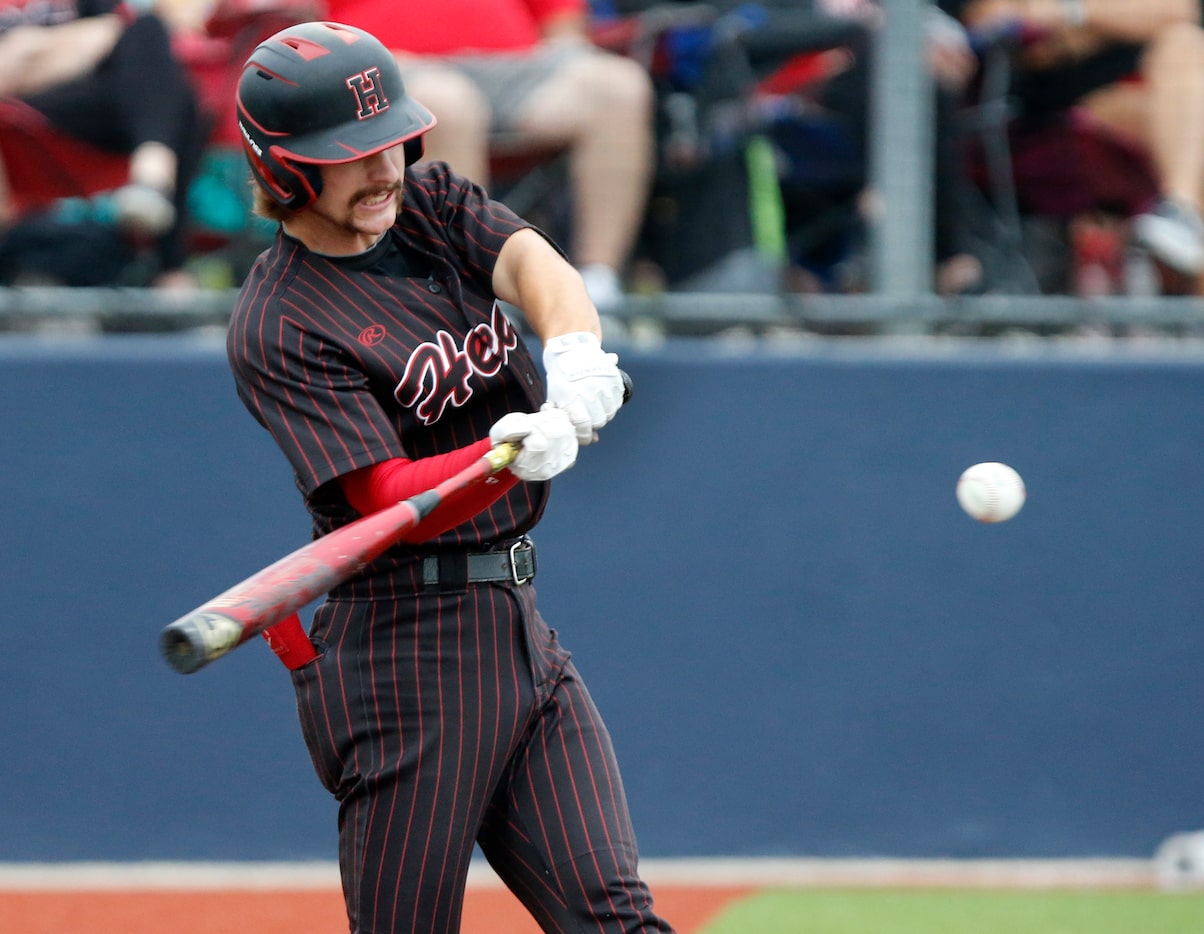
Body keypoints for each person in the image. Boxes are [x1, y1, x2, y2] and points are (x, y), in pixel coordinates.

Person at [226, 20, 675, 934]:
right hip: (404, 654)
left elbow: (529, 260)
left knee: (616, 920)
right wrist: (498, 454)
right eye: (349, 156)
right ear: (282, 171)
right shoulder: (280, 322)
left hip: (516, 628)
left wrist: (577, 352)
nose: (382, 168)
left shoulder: (426, 202)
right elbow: (383, 499)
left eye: (389, 140)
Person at [319, 0, 655, 312]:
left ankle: (594, 290)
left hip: (514, 69)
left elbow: (562, 22)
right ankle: (471, 296)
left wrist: (566, 48)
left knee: (619, 87)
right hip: (389, 63)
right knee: (447, 105)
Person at [945, 0, 1204, 279]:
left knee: (1185, 46)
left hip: (1140, 98)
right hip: (1042, 113)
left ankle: (1179, 211)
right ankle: (1180, 218)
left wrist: (1072, 12)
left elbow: (1178, 12)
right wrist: (1119, 19)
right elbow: (1004, 25)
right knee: (1188, 131)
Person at [0, 0, 208, 287]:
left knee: (150, 36)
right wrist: (58, 46)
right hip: (19, 114)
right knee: (171, 93)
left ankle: (152, 182)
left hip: (76, 96)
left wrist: (35, 48)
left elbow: (112, 30)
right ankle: (169, 262)